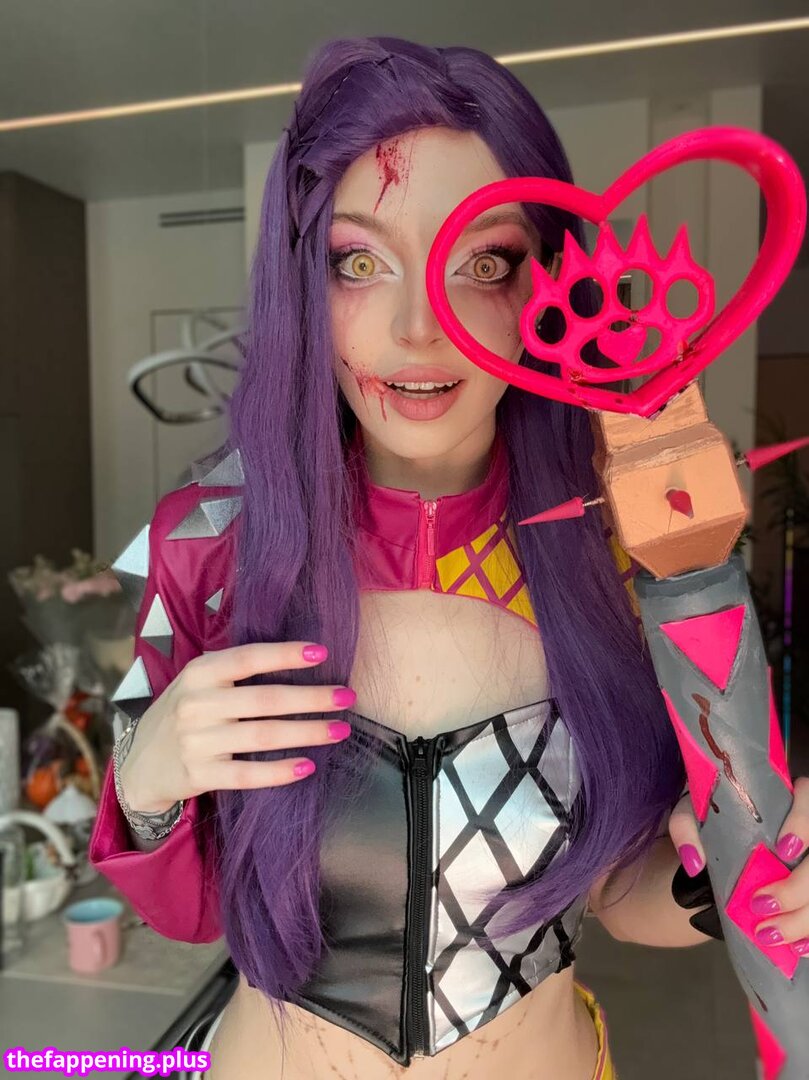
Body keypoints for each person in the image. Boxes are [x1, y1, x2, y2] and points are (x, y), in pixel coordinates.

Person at [89, 36, 809, 1080]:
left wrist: (733, 872)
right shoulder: (210, 540)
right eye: (357, 262)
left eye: (484, 262)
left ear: (547, 281)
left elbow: (623, 890)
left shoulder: (628, 548)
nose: (418, 327)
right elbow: (189, 912)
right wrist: (149, 777)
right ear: (303, 281)